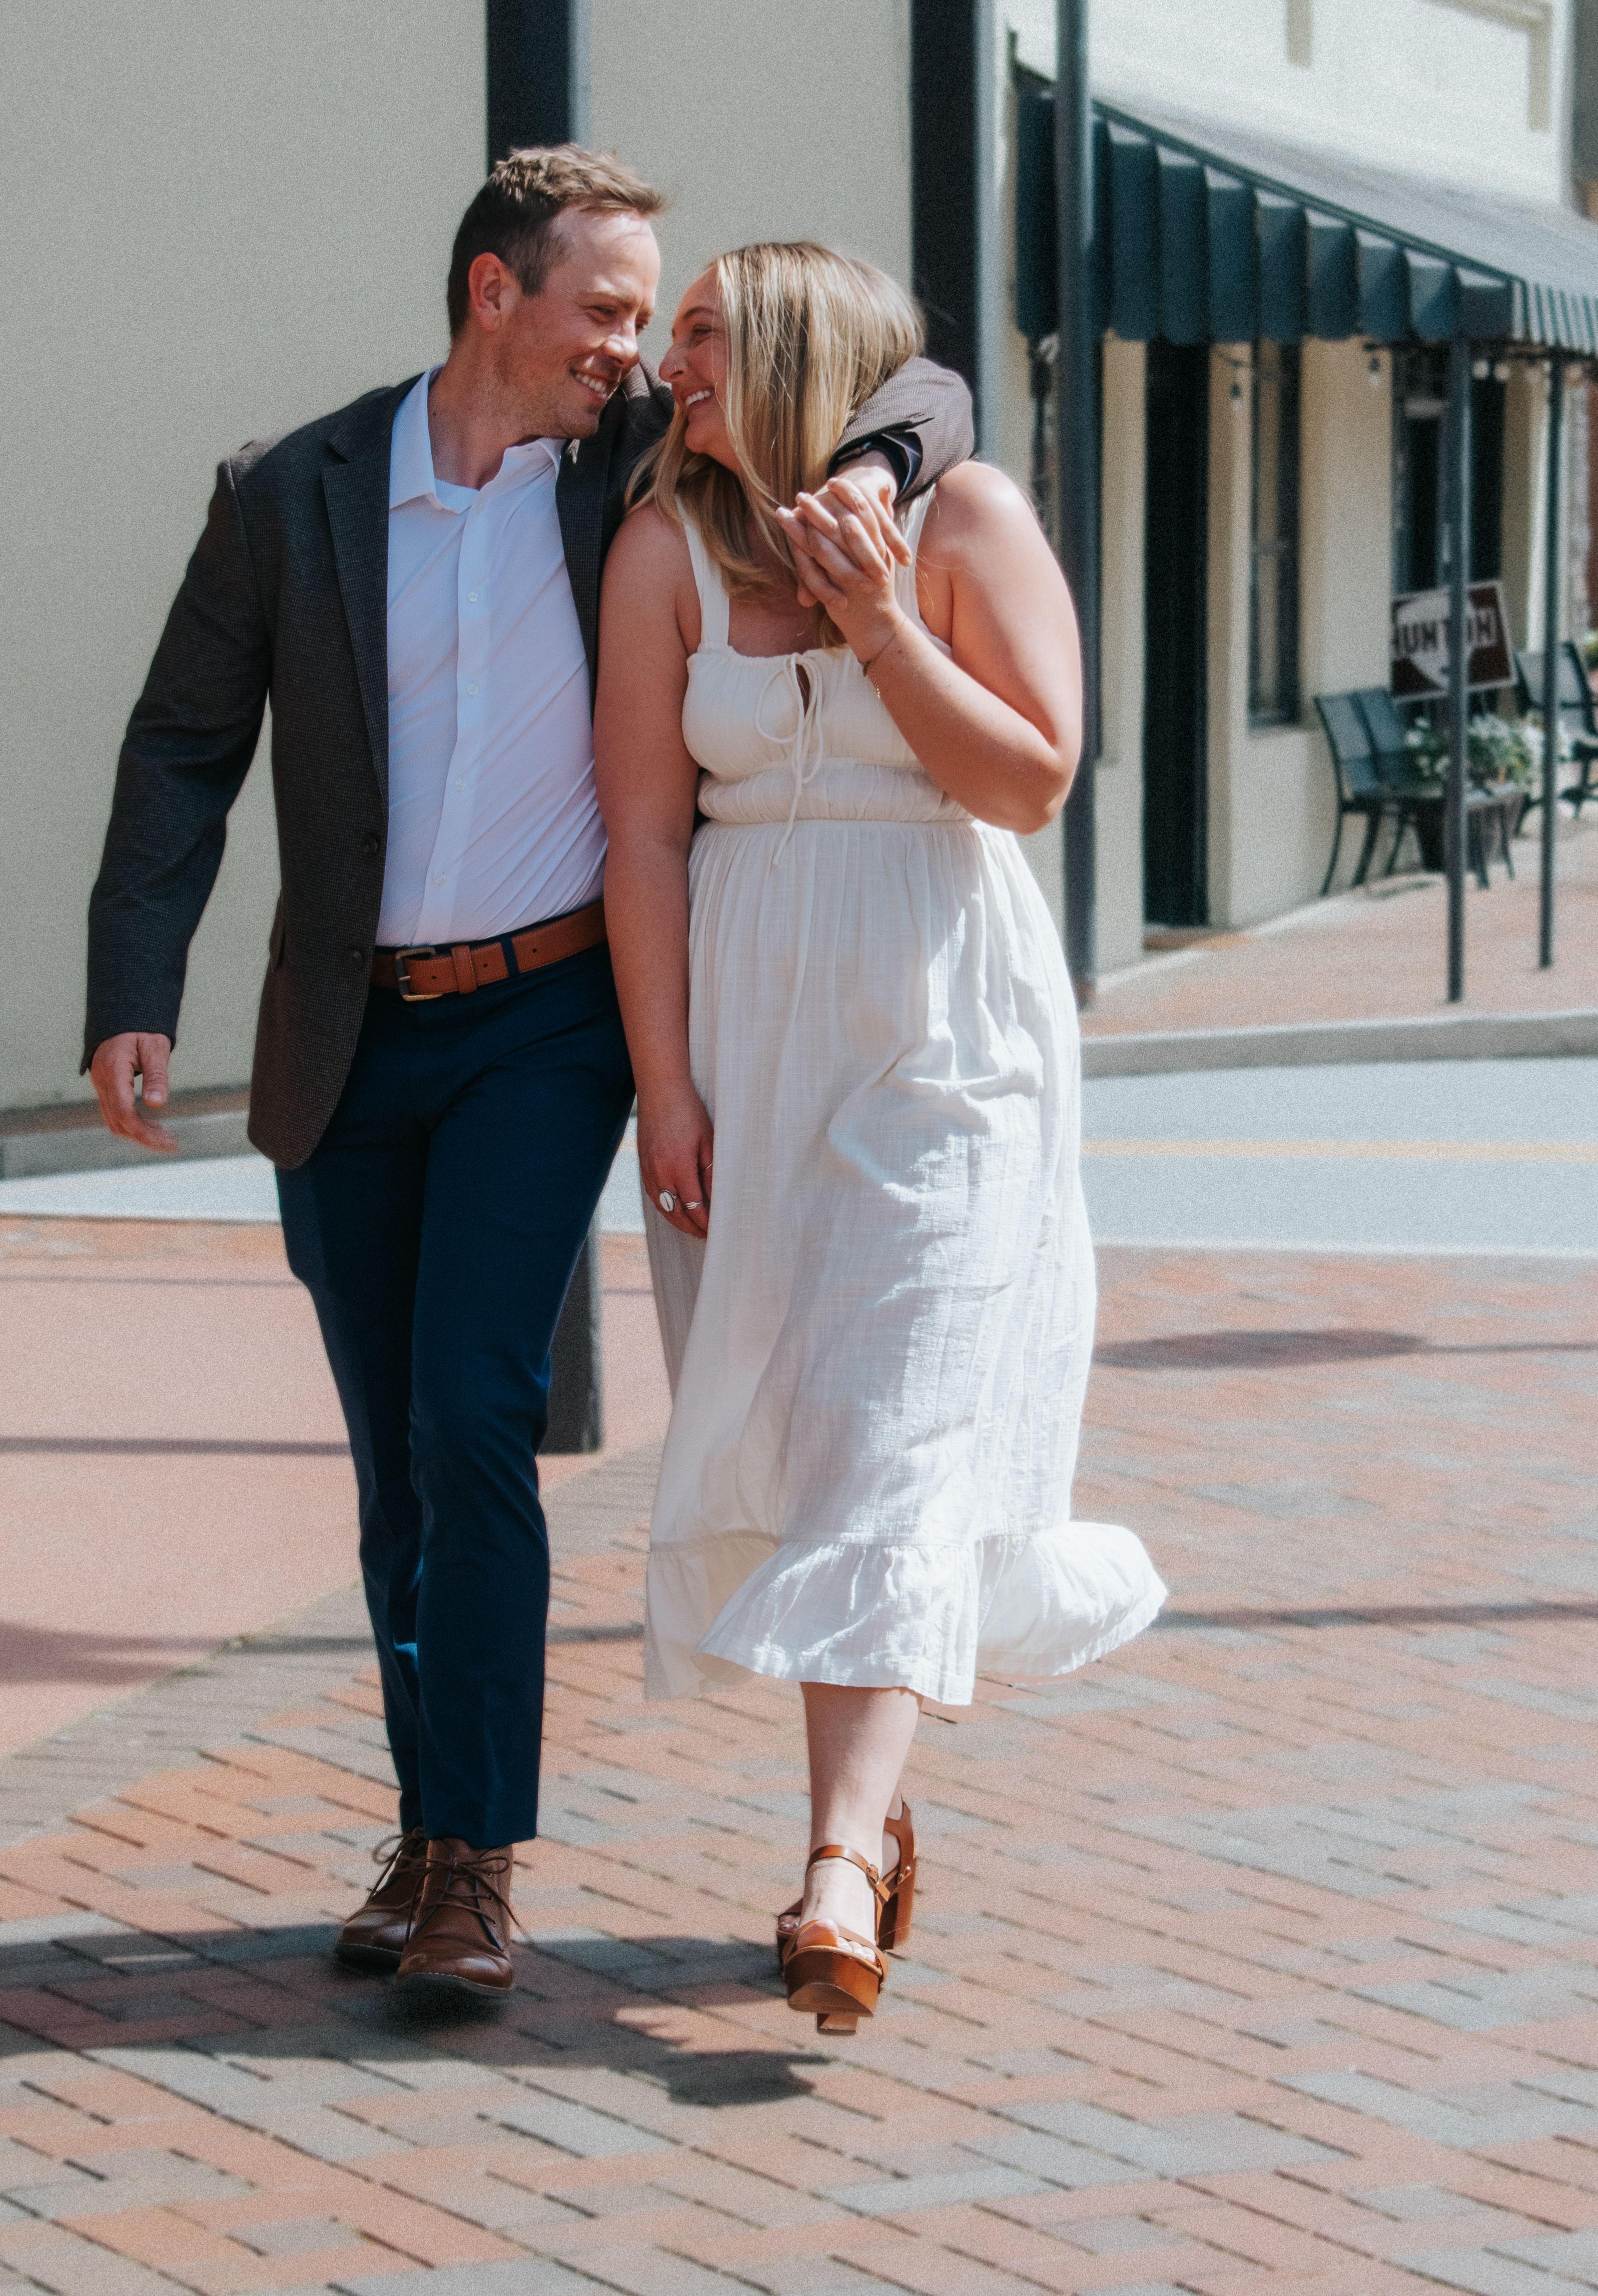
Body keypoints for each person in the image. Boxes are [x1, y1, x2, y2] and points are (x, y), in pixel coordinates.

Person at [82, 154, 974, 2005]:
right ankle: (427, 1832)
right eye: (608, 309)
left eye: (650, 318)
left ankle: (479, 1863)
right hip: (345, 1035)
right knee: (394, 1461)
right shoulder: (290, 493)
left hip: (546, 1025)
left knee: (475, 1413)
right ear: (496, 292)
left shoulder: (632, 461)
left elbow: (929, 387)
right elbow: (181, 745)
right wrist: (132, 991)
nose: (635, 347)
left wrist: (882, 475)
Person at [594, 242, 1165, 2037]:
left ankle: (836, 1865)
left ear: (789, 350)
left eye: (702, 332)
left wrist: (884, 623)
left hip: (947, 1035)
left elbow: (1031, 781)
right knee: (819, 1430)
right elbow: (645, 836)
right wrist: (665, 1087)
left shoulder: (967, 518)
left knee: (899, 1429)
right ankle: (873, 1817)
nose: (668, 363)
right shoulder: (662, 548)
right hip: (748, 1038)